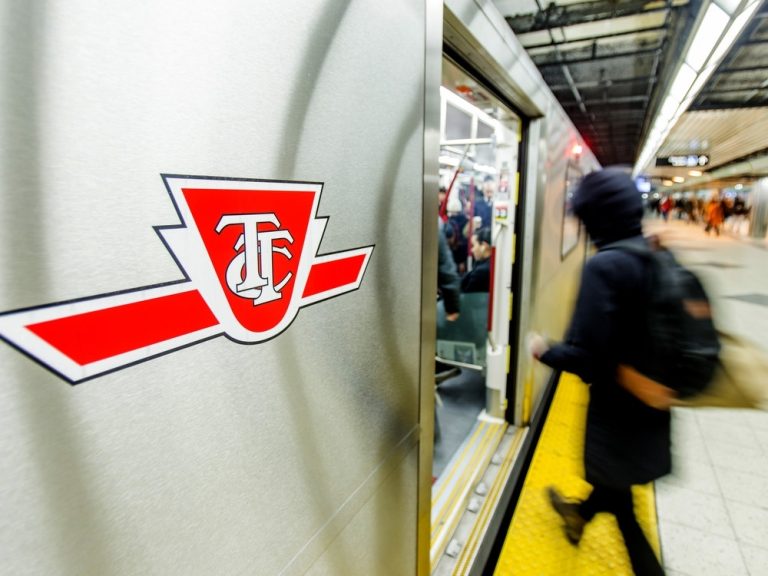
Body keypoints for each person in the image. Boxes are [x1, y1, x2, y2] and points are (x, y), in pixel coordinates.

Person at [528, 168, 670, 576]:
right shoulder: (653, 253)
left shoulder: (604, 267)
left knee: (624, 508)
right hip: (651, 404)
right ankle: (579, 513)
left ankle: (582, 519)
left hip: (616, 409)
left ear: (596, 218)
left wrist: (542, 350)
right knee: (616, 489)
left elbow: (586, 357)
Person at [461, 227, 491, 293]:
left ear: (484, 246)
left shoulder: (481, 272)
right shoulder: (487, 265)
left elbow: (466, 297)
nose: (472, 250)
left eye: (473, 245)